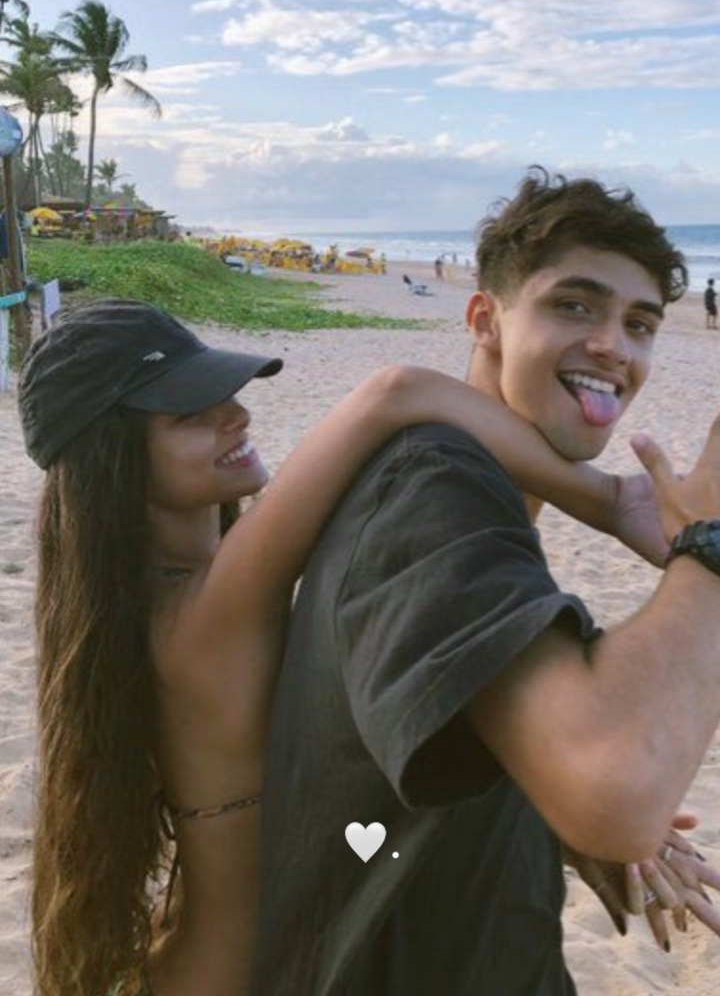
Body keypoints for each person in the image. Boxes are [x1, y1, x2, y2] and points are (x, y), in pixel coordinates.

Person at [19, 294, 699, 996]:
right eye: (190, 415)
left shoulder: (147, 611)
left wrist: (557, 809)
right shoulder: (208, 616)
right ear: (112, 460)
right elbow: (394, 394)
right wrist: (608, 499)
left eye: (226, 393)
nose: (237, 416)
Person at [250, 168, 720, 996]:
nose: (614, 345)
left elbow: (424, 739)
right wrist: (708, 548)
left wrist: (543, 797)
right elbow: (616, 789)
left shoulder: (472, 490)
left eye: (639, 323)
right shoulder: (435, 491)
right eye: (574, 305)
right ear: (485, 321)